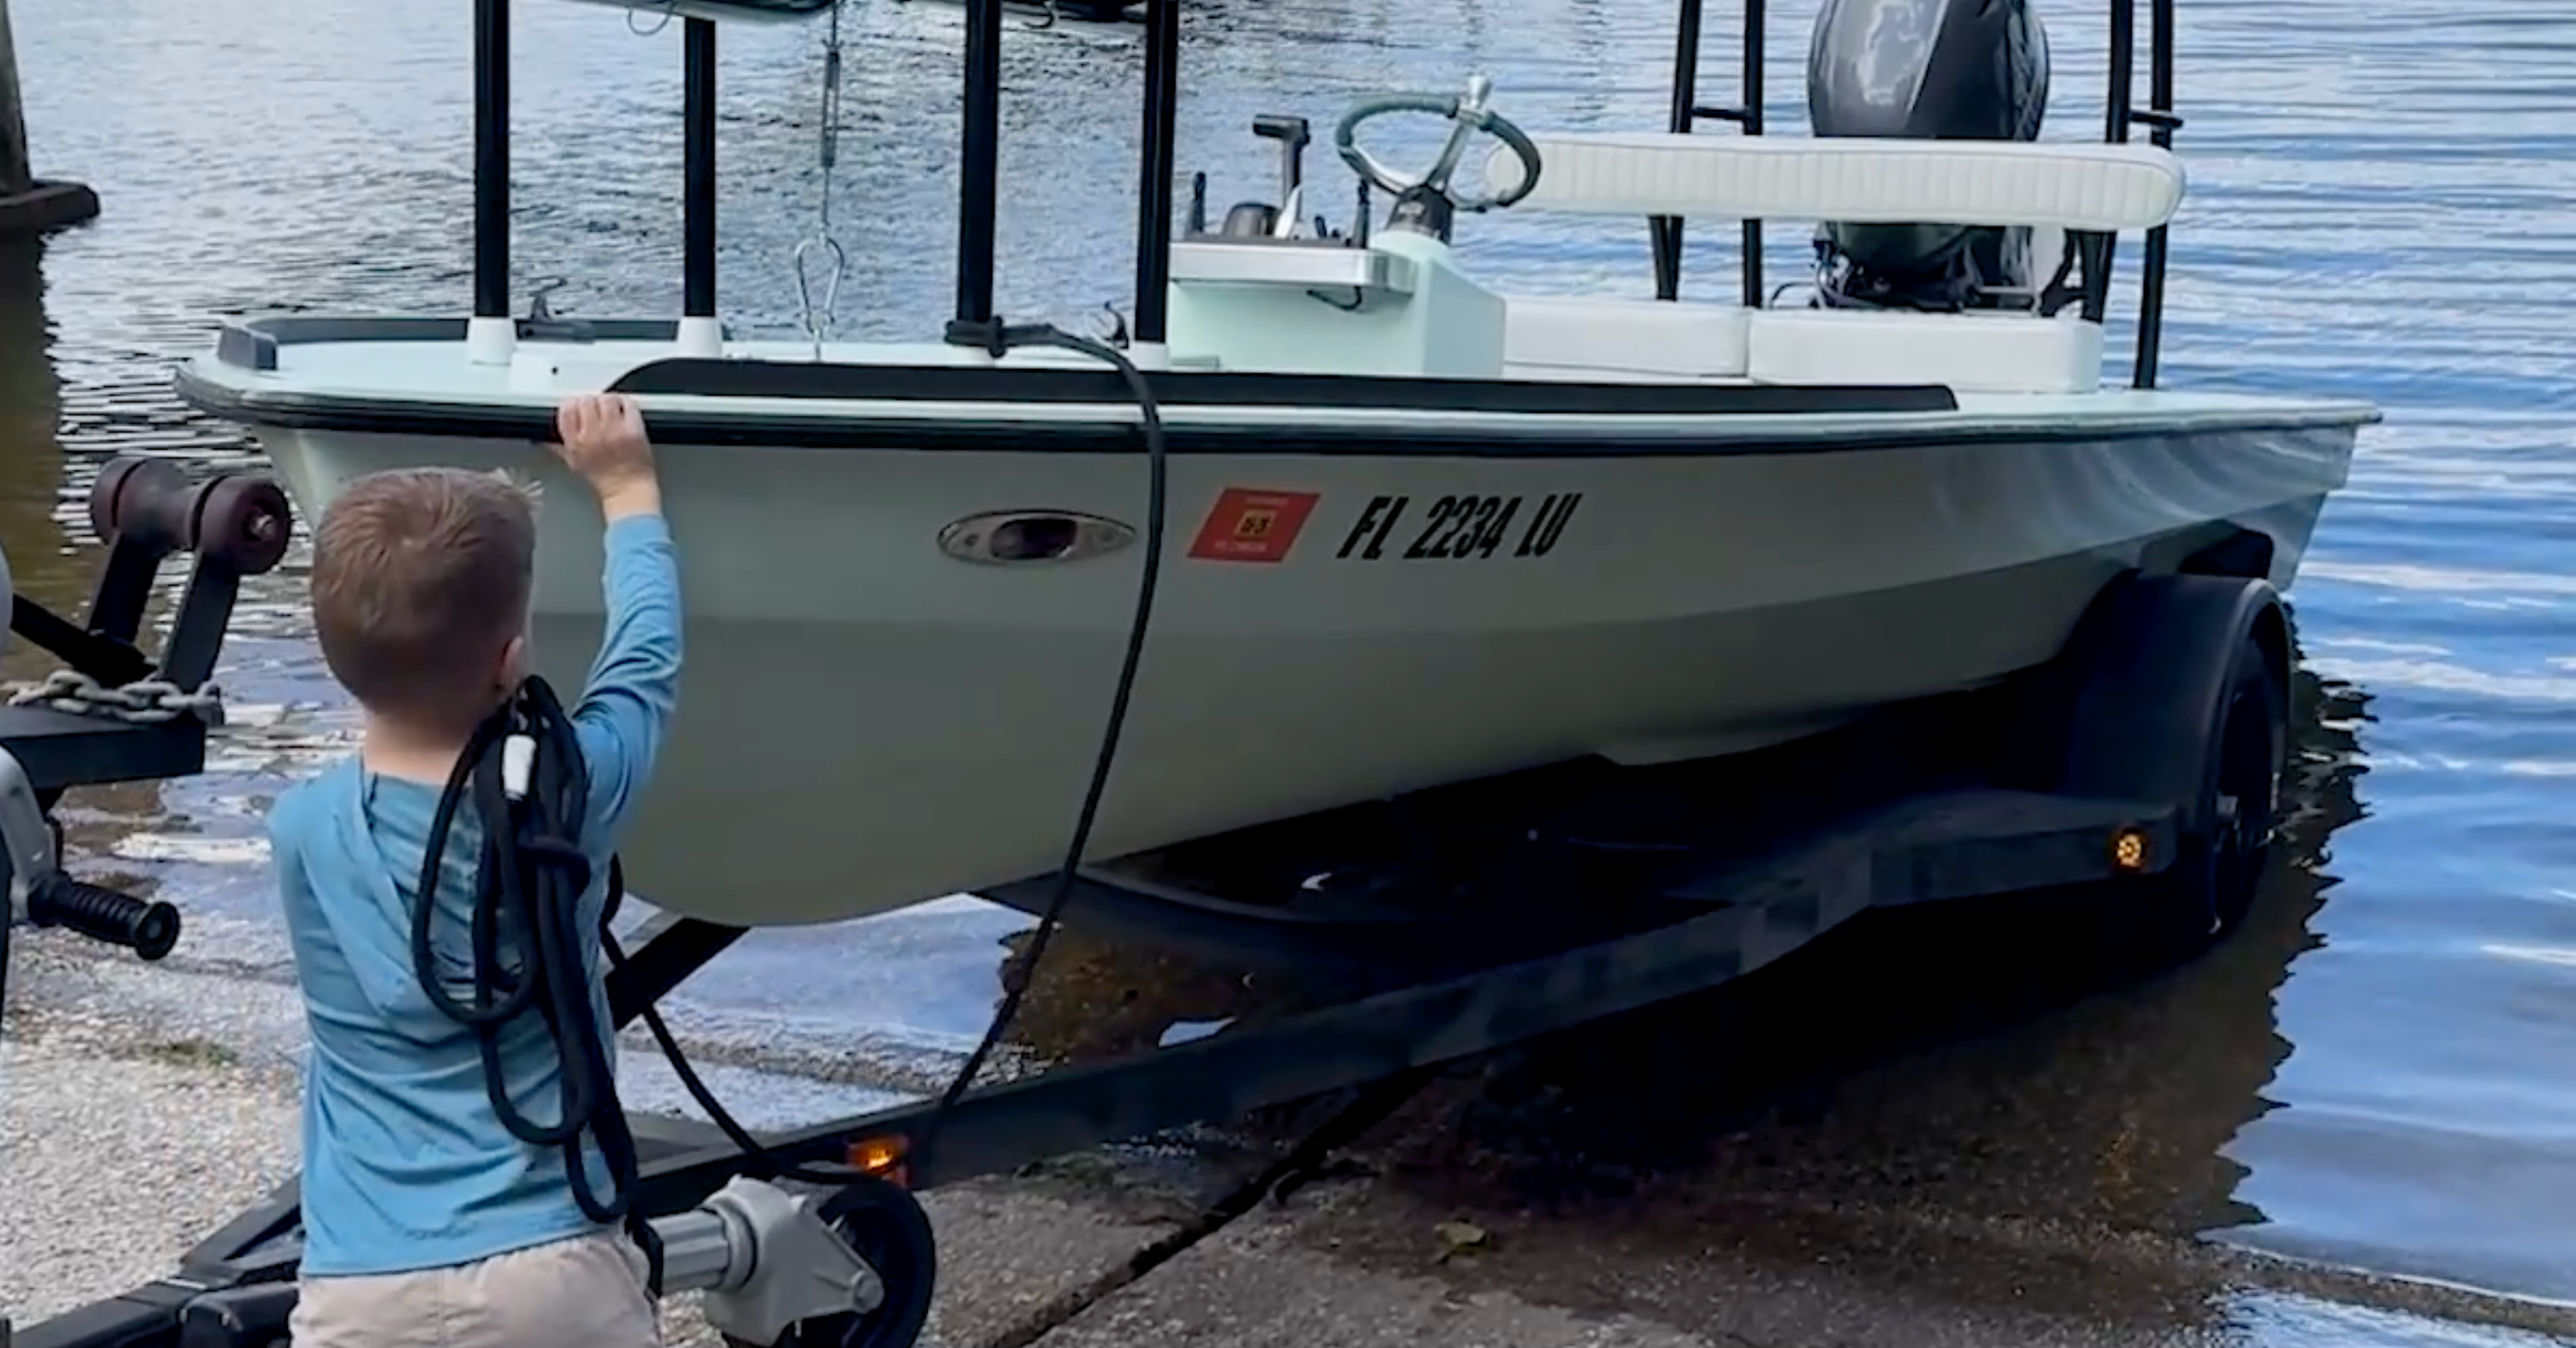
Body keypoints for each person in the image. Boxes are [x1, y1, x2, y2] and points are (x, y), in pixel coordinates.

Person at [269, 393, 681, 1348]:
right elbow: (647, 661)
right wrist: (629, 489)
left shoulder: (303, 830)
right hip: (556, 1267)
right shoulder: (572, 797)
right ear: (510, 658)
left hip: (365, 1283)